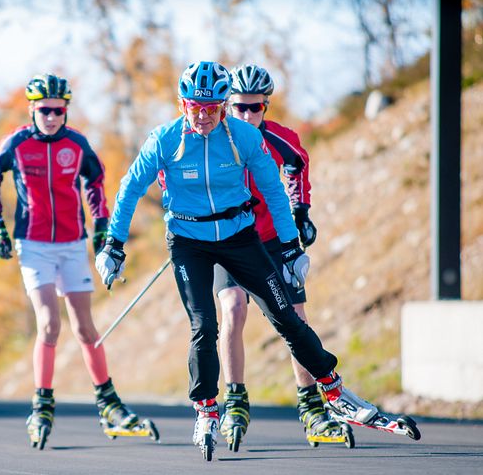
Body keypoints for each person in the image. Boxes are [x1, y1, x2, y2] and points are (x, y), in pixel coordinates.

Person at [95, 61, 379, 461]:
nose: (204, 115)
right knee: (204, 324)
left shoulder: (243, 137)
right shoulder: (164, 139)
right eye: (196, 107)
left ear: (223, 107)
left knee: (286, 316)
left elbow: (273, 190)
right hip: (189, 240)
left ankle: (332, 389)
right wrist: (114, 245)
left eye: (213, 108)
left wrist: (291, 245)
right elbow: (128, 190)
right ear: (183, 104)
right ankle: (207, 408)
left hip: (239, 237)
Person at [0, 73, 155, 450]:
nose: (51, 117)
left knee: (87, 329)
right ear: (31, 109)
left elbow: (96, 180)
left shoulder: (76, 144)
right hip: (35, 245)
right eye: (44, 110)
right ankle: (41, 405)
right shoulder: (17, 143)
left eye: (58, 111)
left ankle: (108, 404)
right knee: (48, 325)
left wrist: (101, 225)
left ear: (66, 111)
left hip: (73, 244)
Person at [214, 64, 341, 450]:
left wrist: (301, 212)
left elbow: (298, 167)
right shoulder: (213, 140)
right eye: (239, 108)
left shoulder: (280, 138)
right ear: (226, 106)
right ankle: (234, 399)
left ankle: (311, 408)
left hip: (270, 240)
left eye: (255, 108)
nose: (248, 115)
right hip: (229, 240)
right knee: (233, 308)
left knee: (295, 319)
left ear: (265, 106)